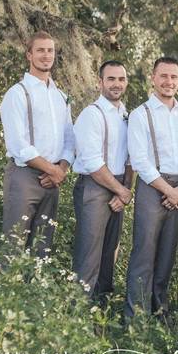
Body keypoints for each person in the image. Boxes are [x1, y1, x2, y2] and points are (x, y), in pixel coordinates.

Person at [124, 56, 178, 319]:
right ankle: (135, 316)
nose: (169, 82)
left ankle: (159, 310)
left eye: (174, 77)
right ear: (153, 78)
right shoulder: (140, 114)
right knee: (144, 251)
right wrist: (168, 191)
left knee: (168, 252)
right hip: (151, 186)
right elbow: (140, 161)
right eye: (163, 76)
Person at [0, 31, 74, 260]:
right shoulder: (17, 94)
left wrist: (62, 169)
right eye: (40, 50)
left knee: (43, 248)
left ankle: (36, 294)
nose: (46, 55)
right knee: (14, 245)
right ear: (29, 55)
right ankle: (5, 294)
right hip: (24, 177)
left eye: (50, 50)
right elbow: (18, 144)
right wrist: (53, 171)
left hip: (53, 181)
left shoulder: (61, 96)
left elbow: (69, 139)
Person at [71, 60, 132, 303]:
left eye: (121, 79)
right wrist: (122, 191)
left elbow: (131, 159)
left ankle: (101, 312)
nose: (116, 84)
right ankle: (78, 313)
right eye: (111, 79)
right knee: (89, 255)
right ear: (100, 83)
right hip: (94, 188)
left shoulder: (127, 115)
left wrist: (124, 190)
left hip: (118, 188)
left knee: (110, 253)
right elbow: (94, 164)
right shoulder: (91, 115)